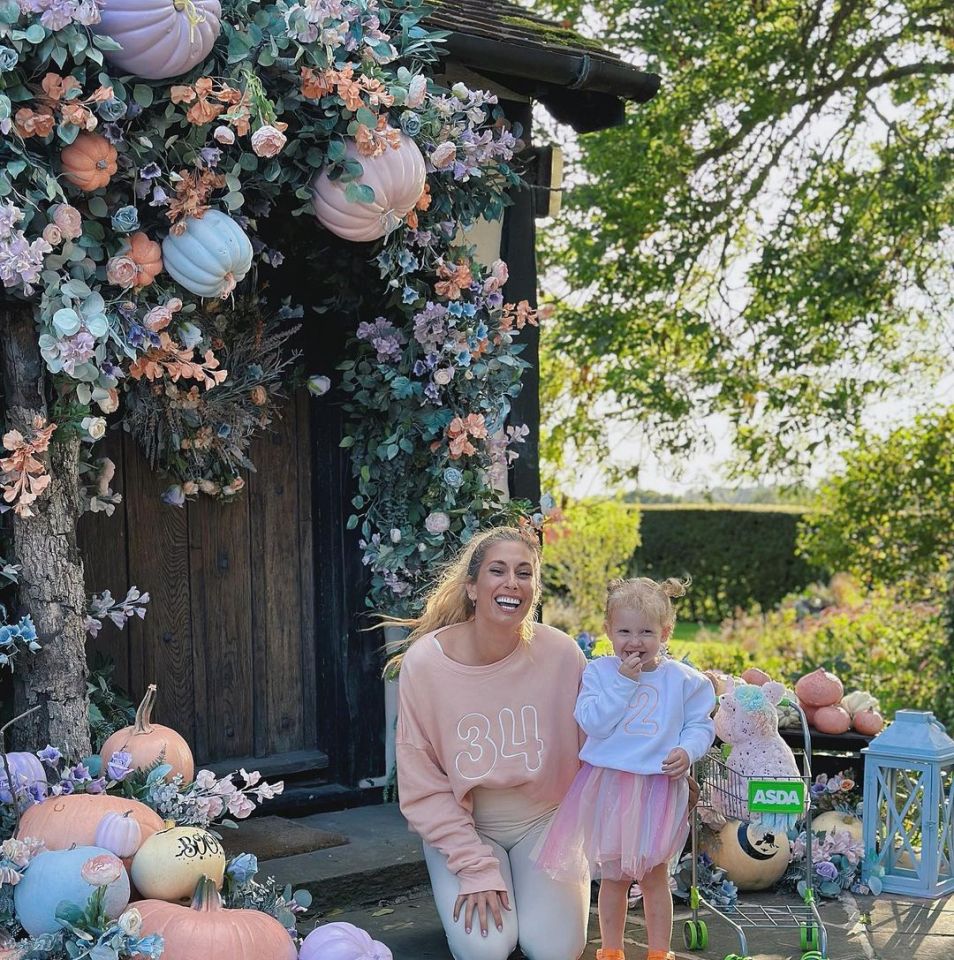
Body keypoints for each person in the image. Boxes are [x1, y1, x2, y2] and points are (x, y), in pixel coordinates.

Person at [392, 526, 591, 960]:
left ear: (534, 589)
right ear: (472, 587)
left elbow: (601, 739)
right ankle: (476, 881)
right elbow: (422, 782)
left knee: (555, 950)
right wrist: (474, 868)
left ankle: (533, 895)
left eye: (525, 573)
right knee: (486, 949)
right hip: (468, 828)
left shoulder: (561, 655)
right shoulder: (427, 664)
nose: (512, 583)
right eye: (497, 571)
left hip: (546, 822)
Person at [533, 577, 716, 960]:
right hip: (610, 788)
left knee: (654, 878)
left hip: (658, 790)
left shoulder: (683, 681)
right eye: (625, 631)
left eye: (647, 631)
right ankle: (612, 950)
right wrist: (623, 683)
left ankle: (658, 953)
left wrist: (687, 749)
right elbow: (593, 723)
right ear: (608, 631)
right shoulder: (600, 674)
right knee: (614, 877)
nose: (635, 641)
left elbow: (700, 724)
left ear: (665, 632)